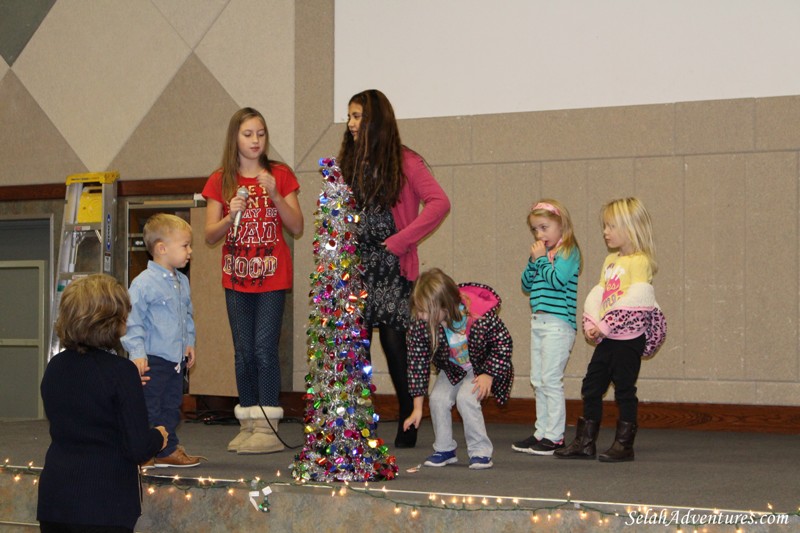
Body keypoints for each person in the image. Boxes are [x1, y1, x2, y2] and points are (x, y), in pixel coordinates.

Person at [339, 89, 450, 448]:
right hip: (356, 263)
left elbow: (439, 203)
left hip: (391, 263)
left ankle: (409, 417)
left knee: (392, 339)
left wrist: (401, 240)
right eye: (350, 117)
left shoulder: (406, 161)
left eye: (357, 116)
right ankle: (360, 422)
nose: (352, 124)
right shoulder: (349, 161)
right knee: (357, 344)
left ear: (375, 120)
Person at [203, 107, 303, 454]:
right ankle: (247, 423)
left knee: (263, 349)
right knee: (243, 352)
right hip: (236, 278)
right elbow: (210, 234)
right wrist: (231, 215)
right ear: (235, 138)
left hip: (272, 277)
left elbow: (297, 226)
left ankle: (267, 426)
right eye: (248, 134)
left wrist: (275, 195)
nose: (256, 140)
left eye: (260, 133)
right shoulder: (221, 179)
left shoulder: (280, 175)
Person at [38, 274, 168, 533]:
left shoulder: (55, 366)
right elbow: (138, 448)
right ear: (112, 321)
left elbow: (83, 409)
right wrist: (159, 436)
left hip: (55, 500)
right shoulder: (121, 372)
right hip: (105, 504)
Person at [555, 197, 666, 462]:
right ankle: (585, 441)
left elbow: (638, 299)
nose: (605, 232)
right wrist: (593, 323)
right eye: (605, 226)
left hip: (629, 339)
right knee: (591, 386)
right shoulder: (611, 260)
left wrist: (606, 324)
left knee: (624, 389)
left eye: (611, 226)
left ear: (631, 228)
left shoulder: (640, 262)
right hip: (608, 337)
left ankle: (624, 444)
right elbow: (601, 292)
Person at [403, 268, 514, 470]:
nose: (420, 315)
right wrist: (417, 408)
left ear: (444, 306)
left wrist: (488, 374)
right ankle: (444, 449)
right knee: (437, 399)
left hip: (480, 367)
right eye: (418, 309)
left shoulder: (478, 316)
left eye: (425, 310)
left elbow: (503, 344)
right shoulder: (422, 325)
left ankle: (480, 452)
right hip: (453, 368)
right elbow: (417, 363)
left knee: (466, 398)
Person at [122, 213, 203, 468]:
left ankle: (166, 449)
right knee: (149, 407)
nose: (190, 251)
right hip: (152, 359)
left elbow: (186, 316)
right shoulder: (143, 283)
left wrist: (189, 342)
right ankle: (144, 450)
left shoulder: (182, 281)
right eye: (185, 245)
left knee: (172, 405)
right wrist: (137, 353)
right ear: (162, 248)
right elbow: (131, 320)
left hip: (174, 360)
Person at [512, 199, 582, 456]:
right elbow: (526, 285)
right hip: (539, 323)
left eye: (544, 228)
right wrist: (533, 262)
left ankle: (555, 436)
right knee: (538, 380)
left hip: (558, 325)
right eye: (535, 230)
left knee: (551, 380)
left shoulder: (568, 252)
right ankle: (541, 431)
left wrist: (541, 260)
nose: (540, 235)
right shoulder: (541, 256)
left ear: (561, 225)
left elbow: (555, 281)